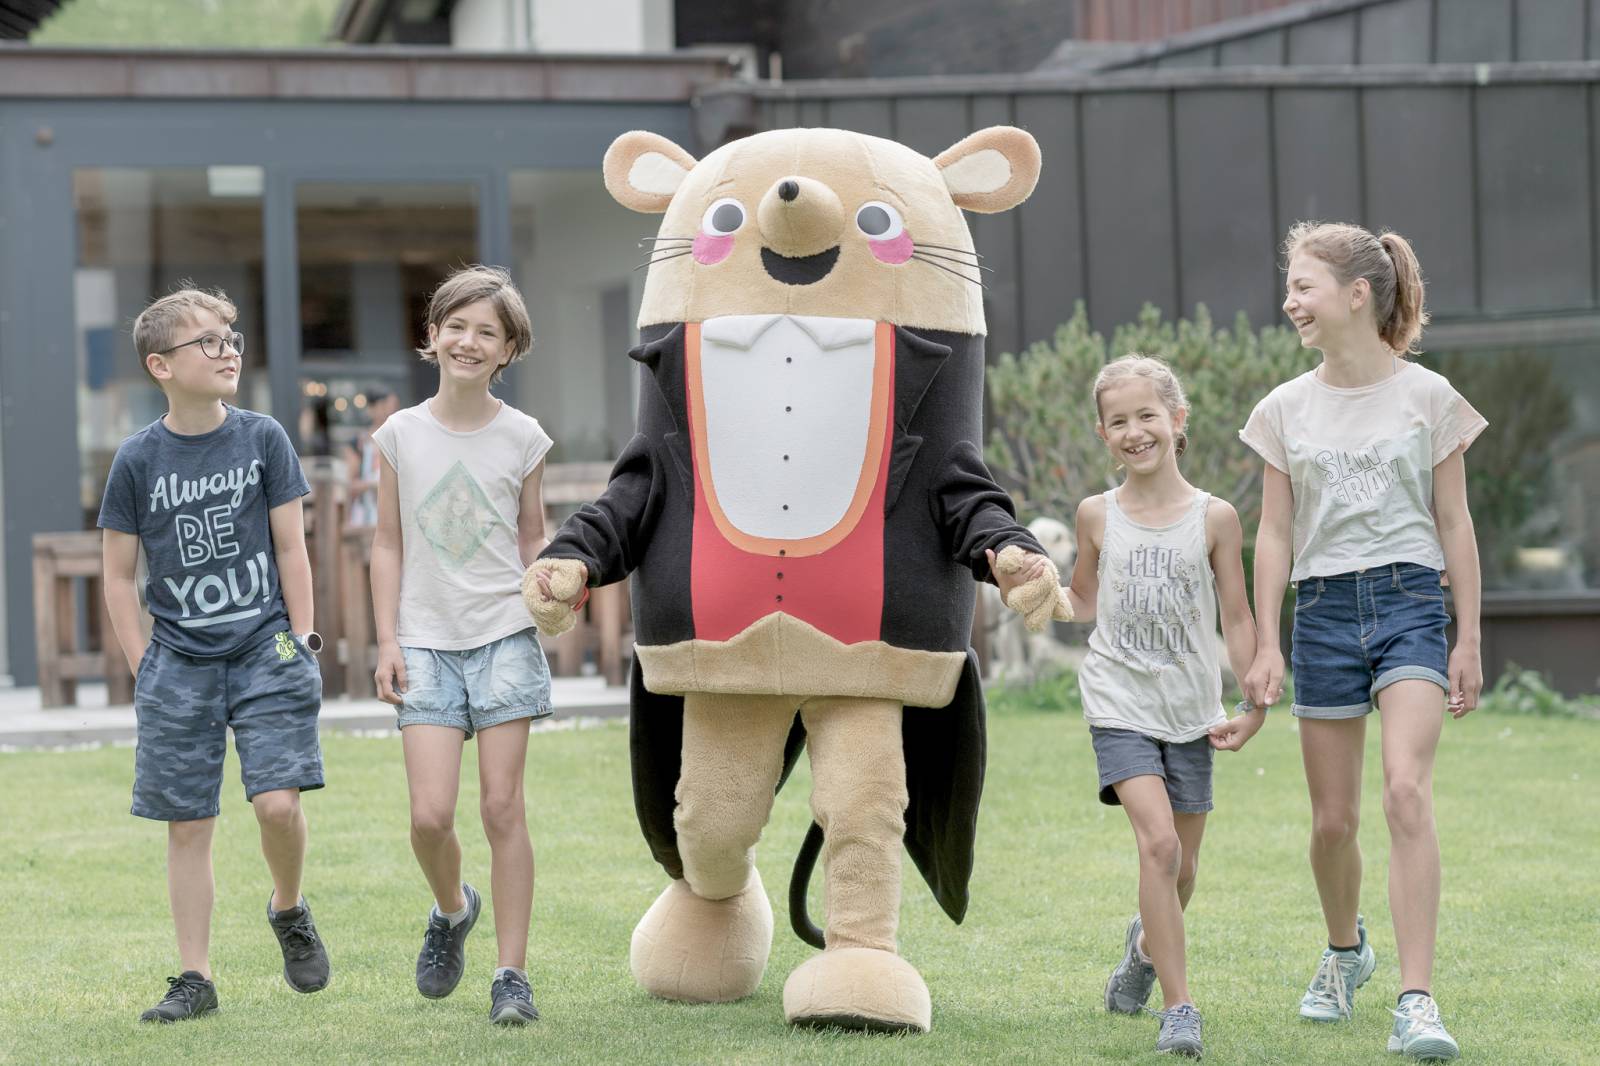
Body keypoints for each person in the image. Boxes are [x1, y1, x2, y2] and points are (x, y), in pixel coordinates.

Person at [1241, 222, 1486, 1061]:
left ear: (1356, 295)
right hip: (1324, 613)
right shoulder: (1282, 409)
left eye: (1303, 287)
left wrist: (1469, 638)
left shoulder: (1429, 397)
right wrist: (1267, 642)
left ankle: (1418, 1002)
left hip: (1412, 600)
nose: (1290, 302)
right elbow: (1273, 534)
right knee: (1333, 822)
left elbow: (1455, 521)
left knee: (1405, 794)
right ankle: (1347, 952)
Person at [99, 287, 330, 1023]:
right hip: (179, 662)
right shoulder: (136, 459)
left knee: (277, 804)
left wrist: (305, 637)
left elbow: (292, 546)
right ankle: (195, 979)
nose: (229, 349)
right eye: (209, 341)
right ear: (160, 365)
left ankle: (287, 908)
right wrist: (144, 665)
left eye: (231, 336)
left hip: (267, 648)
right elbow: (115, 574)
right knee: (189, 822)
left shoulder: (263, 438)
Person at [1063, 354, 1264, 1059]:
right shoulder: (1095, 515)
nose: (1134, 431)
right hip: (1118, 700)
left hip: (1191, 707)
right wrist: (1036, 592)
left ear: (1177, 422)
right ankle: (1180, 1008)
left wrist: (1253, 693)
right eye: (1118, 422)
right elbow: (1081, 600)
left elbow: (1236, 617)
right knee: (1158, 844)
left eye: (1147, 416)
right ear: (1102, 433)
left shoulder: (1216, 517)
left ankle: (1144, 948)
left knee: (1181, 873)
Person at [369, 265, 552, 1025]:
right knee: (429, 818)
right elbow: (385, 542)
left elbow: (533, 534)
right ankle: (453, 909)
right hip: (425, 642)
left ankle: (511, 976)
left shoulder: (524, 438)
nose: (469, 341)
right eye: (458, 326)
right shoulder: (400, 435)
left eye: (488, 332)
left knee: (503, 807)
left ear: (507, 351)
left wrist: (549, 591)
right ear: (432, 335)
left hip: (504, 634)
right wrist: (387, 641)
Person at [345, 388, 398, 528]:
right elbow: (350, 484)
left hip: (395, 515)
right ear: (371, 409)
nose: (389, 410)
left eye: (391, 405)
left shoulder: (400, 439)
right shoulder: (359, 443)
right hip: (365, 515)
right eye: (384, 405)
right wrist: (374, 484)